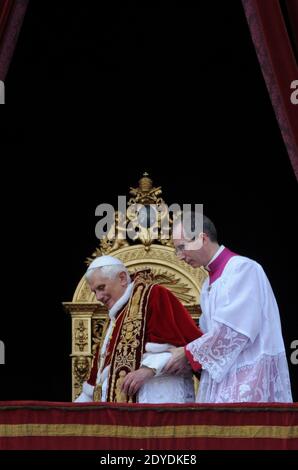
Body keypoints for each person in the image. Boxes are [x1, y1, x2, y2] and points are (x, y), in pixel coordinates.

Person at [164, 212, 293, 403]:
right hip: (222, 378)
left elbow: (235, 331)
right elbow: (207, 333)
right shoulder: (208, 283)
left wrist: (188, 353)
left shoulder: (243, 269)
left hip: (249, 377)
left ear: (202, 238)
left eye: (182, 247)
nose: (180, 257)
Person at [75, 255, 201, 403]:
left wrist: (148, 370)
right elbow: (96, 379)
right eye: (94, 291)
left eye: (101, 288)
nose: (98, 296)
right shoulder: (115, 319)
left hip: (159, 398)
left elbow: (189, 349)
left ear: (122, 278)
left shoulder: (154, 295)